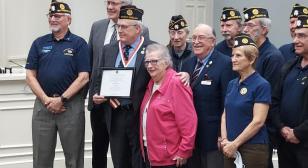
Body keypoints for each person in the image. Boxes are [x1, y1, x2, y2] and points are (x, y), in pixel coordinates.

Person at [25, 1, 91, 168]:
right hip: (43, 106)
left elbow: (83, 77)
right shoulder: (39, 43)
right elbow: (30, 75)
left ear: (69, 19)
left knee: (74, 159)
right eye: (51, 16)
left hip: (70, 106)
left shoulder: (79, 44)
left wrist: (61, 99)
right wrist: (46, 100)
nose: (53, 19)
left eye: (57, 16)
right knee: (41, 158)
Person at [87, 0, 150, 167]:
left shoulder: (151, 49)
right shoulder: (109, 49)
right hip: (113, 112)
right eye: (119, 26)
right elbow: (98, 75)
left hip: (138, 114)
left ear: (137, 30)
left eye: (124, 27)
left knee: (139, 161)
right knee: (119, 160)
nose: (120, 30)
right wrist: (97, 95)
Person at [182, 24, 235, 168]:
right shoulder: (188, 64)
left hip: (212, 138)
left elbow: (227, 101)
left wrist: (222, 134)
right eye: (194, 38)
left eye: (201, 38)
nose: (196, 41)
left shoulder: (225, 63)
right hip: (190, 137)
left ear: (212, 41)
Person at [139, 43, 197, 168]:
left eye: (154, 61)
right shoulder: (150, 84)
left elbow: (188, 121)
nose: (149, 65)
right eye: (147, 62)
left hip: (171, 158)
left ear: (166, 63)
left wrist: (184, 150)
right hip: (150, 155)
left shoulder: (177, 83)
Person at [221, 33, 271, 168]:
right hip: (229, 146)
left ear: (251, 59)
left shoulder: (261, 85)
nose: (233, 59)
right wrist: (225, 140)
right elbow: (225, 114)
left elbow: (258, 121)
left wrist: (235, 144)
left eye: (238, 56)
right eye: (232, 55)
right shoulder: (232, 84)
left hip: (252, 148)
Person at [242, 7, 284, 168]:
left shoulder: (272, 56)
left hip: (261, 130)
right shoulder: (249, 54)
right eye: (245, 25)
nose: (245, 29)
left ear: (264, 29)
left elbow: (269, 97)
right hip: (244, 125)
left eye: (250, 25)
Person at [271, 15, 308, 168]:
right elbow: (274, 101)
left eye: (302, 36)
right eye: (295, 35)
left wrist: (298, 133)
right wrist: (281, 127)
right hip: (285, 143)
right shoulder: (288, 67)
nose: (295, 40)